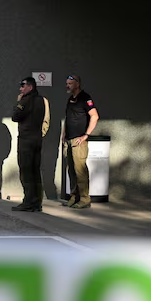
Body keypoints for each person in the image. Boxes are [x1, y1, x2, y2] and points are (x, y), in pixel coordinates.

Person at [11, 76, 48, 212]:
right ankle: (37, 202)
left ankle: (28, 201)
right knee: (35, 171)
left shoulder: (26, 100)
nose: (21, 89)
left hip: (26, 140)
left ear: (30, 87)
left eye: (23, 85)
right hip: (37, 139)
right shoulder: (41, 100)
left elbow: (15, 116)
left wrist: (18, 102)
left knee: (26, 171)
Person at [63, 74, 100, 209]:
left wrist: (86, 135)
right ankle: (74, 196)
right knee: (71, 170)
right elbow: (67, 119)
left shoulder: (85, 98)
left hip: (79, 140)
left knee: (80, 171)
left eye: (70, 83)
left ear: (77, 84)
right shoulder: (70, 99)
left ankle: (84, 199)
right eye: (67, 83)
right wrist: (63, 135)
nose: (67, 86)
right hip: (68, 140)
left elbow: (94, 116)